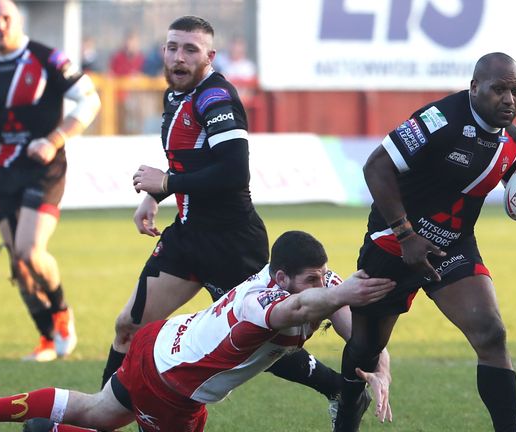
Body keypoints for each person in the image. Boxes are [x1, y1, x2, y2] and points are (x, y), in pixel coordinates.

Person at [103, 15, 358, 427]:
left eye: (190, 50)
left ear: (209, 57)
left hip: (230, 241)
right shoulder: (175, 96)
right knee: (128, 327)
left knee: (260, 341)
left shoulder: (215, 99)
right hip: (187, 237)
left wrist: (166, 180)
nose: (179, 57)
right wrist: (155, 195)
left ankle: (341, 389)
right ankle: (100, 417)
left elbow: (234, 171)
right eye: (172, 47)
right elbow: (189, 160)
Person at [0, 231, 396, 432]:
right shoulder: (261, 304)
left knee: (98, 413)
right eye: (311, 279)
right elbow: (309, 305)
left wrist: (379, 365)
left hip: (163, 345)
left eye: (323, 275)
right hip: (173, 383)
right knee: (103, 417)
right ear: (279, 279)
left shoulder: (316, 282)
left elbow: (364, 334)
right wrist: (341, 294)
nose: (321, 284)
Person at [333, 52, 516, 432]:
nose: (509, 100)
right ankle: (345, 414)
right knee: (365, 349)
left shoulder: (515, 144)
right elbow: (376, 166)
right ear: (474, 87)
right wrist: (405, 233)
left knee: (491, 334)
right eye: (499, 89)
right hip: (393, 246)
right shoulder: (439, 120)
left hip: (453, 247)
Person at [0, 0, 101, 361]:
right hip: (5, 170)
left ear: (18, 21)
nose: (0, 25)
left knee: (31, 252)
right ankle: (47, 338)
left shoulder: (47, 58)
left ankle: (62, 313)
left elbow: (89, 100)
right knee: (18, 264)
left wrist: (53, 140)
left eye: (6, 18)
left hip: (45, 168)